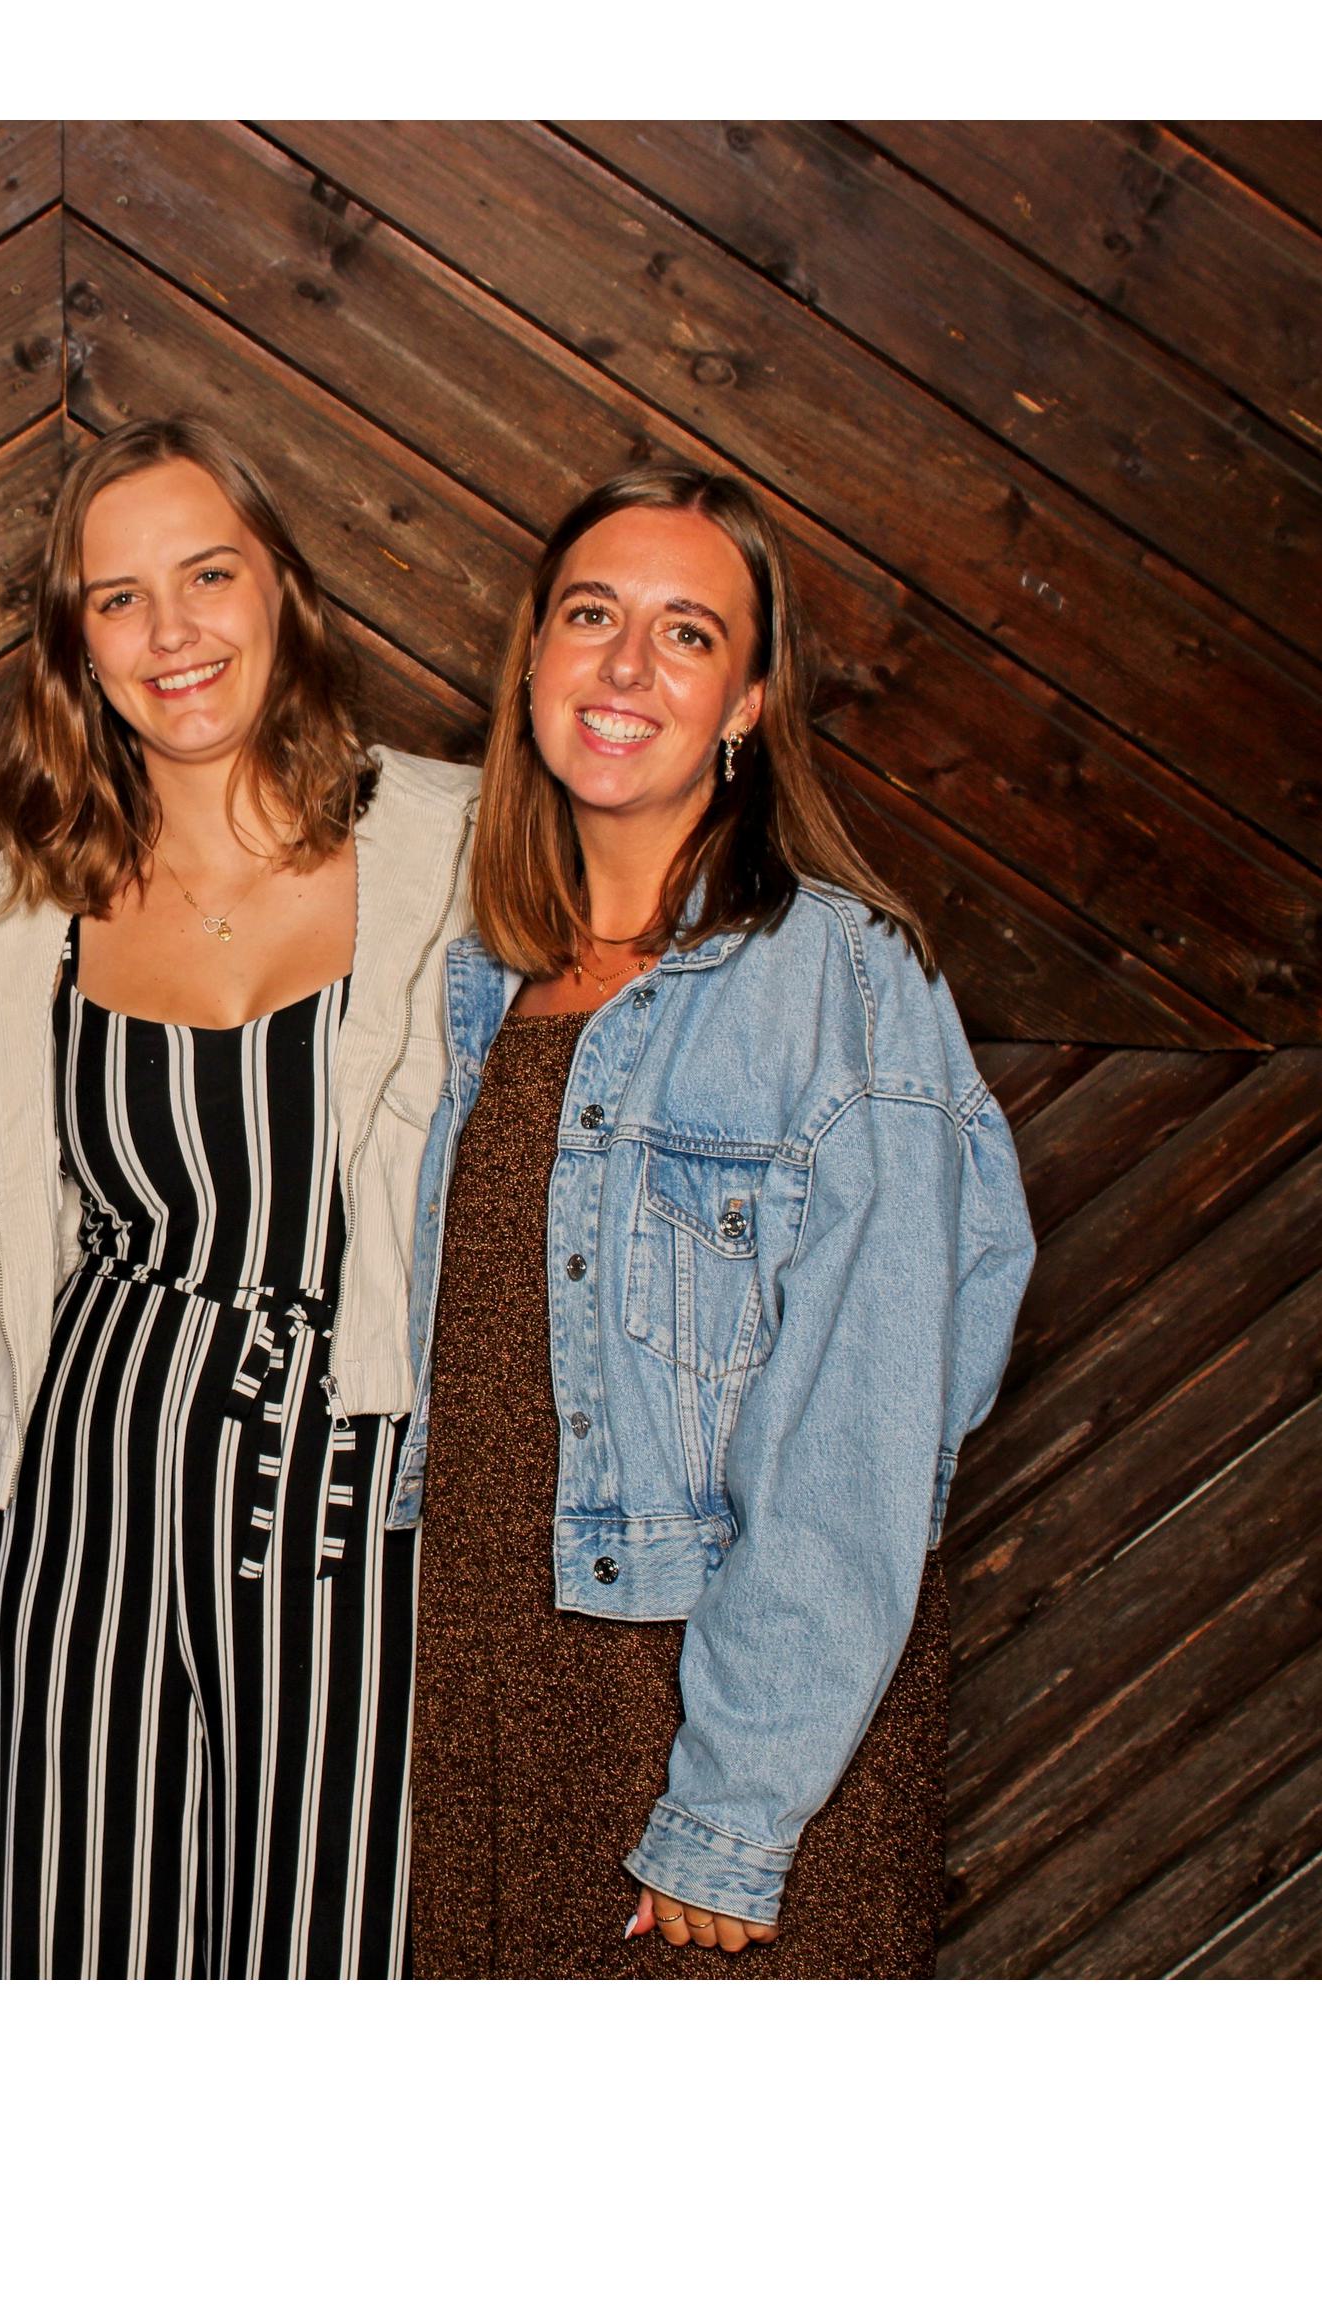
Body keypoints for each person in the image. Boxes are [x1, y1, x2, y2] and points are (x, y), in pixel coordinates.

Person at [396, 466, 1033, 1977]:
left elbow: (865, 1433)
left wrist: (737, 1805)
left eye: (687, 634)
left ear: (746, 700)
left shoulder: (842, 982)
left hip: (716, 1724)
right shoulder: (475, 969)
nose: (626, 666)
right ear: (533, 661)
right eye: (591, 616)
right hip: (487, 1696)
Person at [0, 418, 479, 1979]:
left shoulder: (452, 843)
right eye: (117, 598)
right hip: (95, 1468)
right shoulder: (26, 903)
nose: (170, 632)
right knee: (85, 1917)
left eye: (207, 576)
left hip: (354, 1472)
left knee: (329, 1923)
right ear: (77, 646)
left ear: (283, 591)